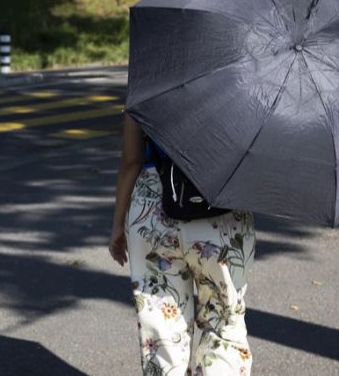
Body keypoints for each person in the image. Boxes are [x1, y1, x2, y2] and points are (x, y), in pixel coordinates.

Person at [109, 113, 256, 376]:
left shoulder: (150, 73)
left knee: (161, 330)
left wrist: (118, 223)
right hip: (219, 205)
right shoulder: (241, 74)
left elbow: (131, 160)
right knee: (225, 322)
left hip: (153, 209)